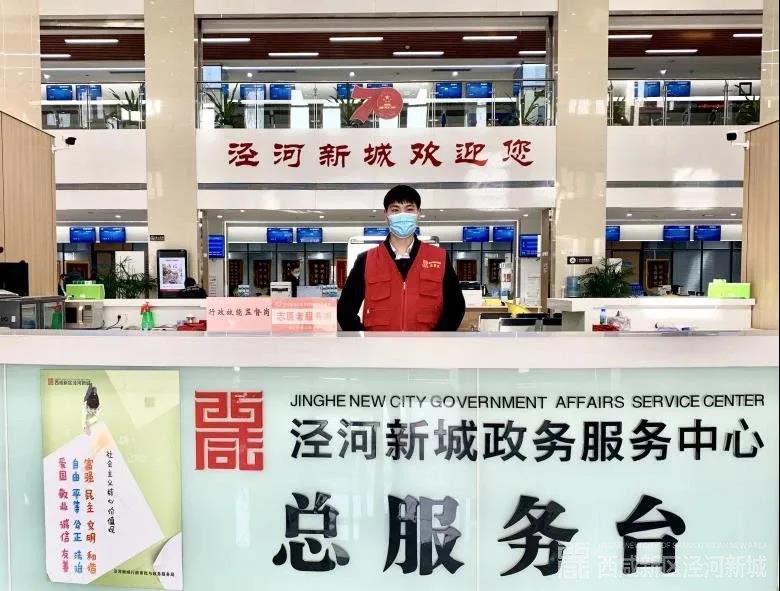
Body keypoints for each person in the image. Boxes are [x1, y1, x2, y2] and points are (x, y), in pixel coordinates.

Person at [337, 184, 465, 331]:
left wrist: (436, 340)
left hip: (425, 344)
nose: (402, 215)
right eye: (395, 210)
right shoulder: (366, 260)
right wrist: (365, 340)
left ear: (418, 213)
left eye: (409, 209)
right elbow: (345, 311)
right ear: (386, 214)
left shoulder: (439, 257)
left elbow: (456, 308)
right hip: (379, 345)